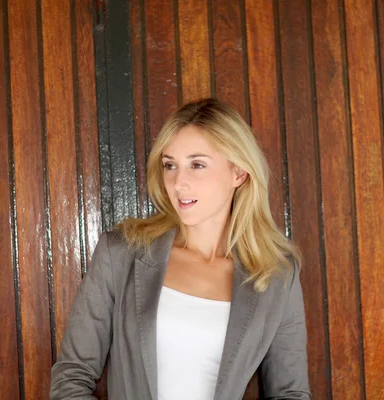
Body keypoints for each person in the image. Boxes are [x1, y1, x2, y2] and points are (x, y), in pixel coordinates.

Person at [49, 98, 310, 399]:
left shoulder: (276, 274)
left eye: (197, 164)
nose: (178, 182)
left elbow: (290, 393)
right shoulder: (121, 254)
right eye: (170, 165)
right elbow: (71, 377)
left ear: (239, 173)